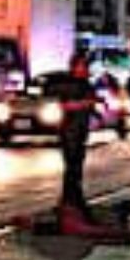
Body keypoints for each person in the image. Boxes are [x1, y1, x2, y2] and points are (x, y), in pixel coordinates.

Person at [44, 52, 100, 218]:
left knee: (76, 168)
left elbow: (90, 105)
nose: (85, 69)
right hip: (69, 131)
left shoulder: (87, 84)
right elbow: (62, 105)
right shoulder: (66, 84)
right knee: (72, 168)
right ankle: (71, 202)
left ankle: (71, 201)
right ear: (74, 67)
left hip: (81, 131)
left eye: (86, 66)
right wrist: (84, 104)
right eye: (82, 66)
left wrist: (95, 111)